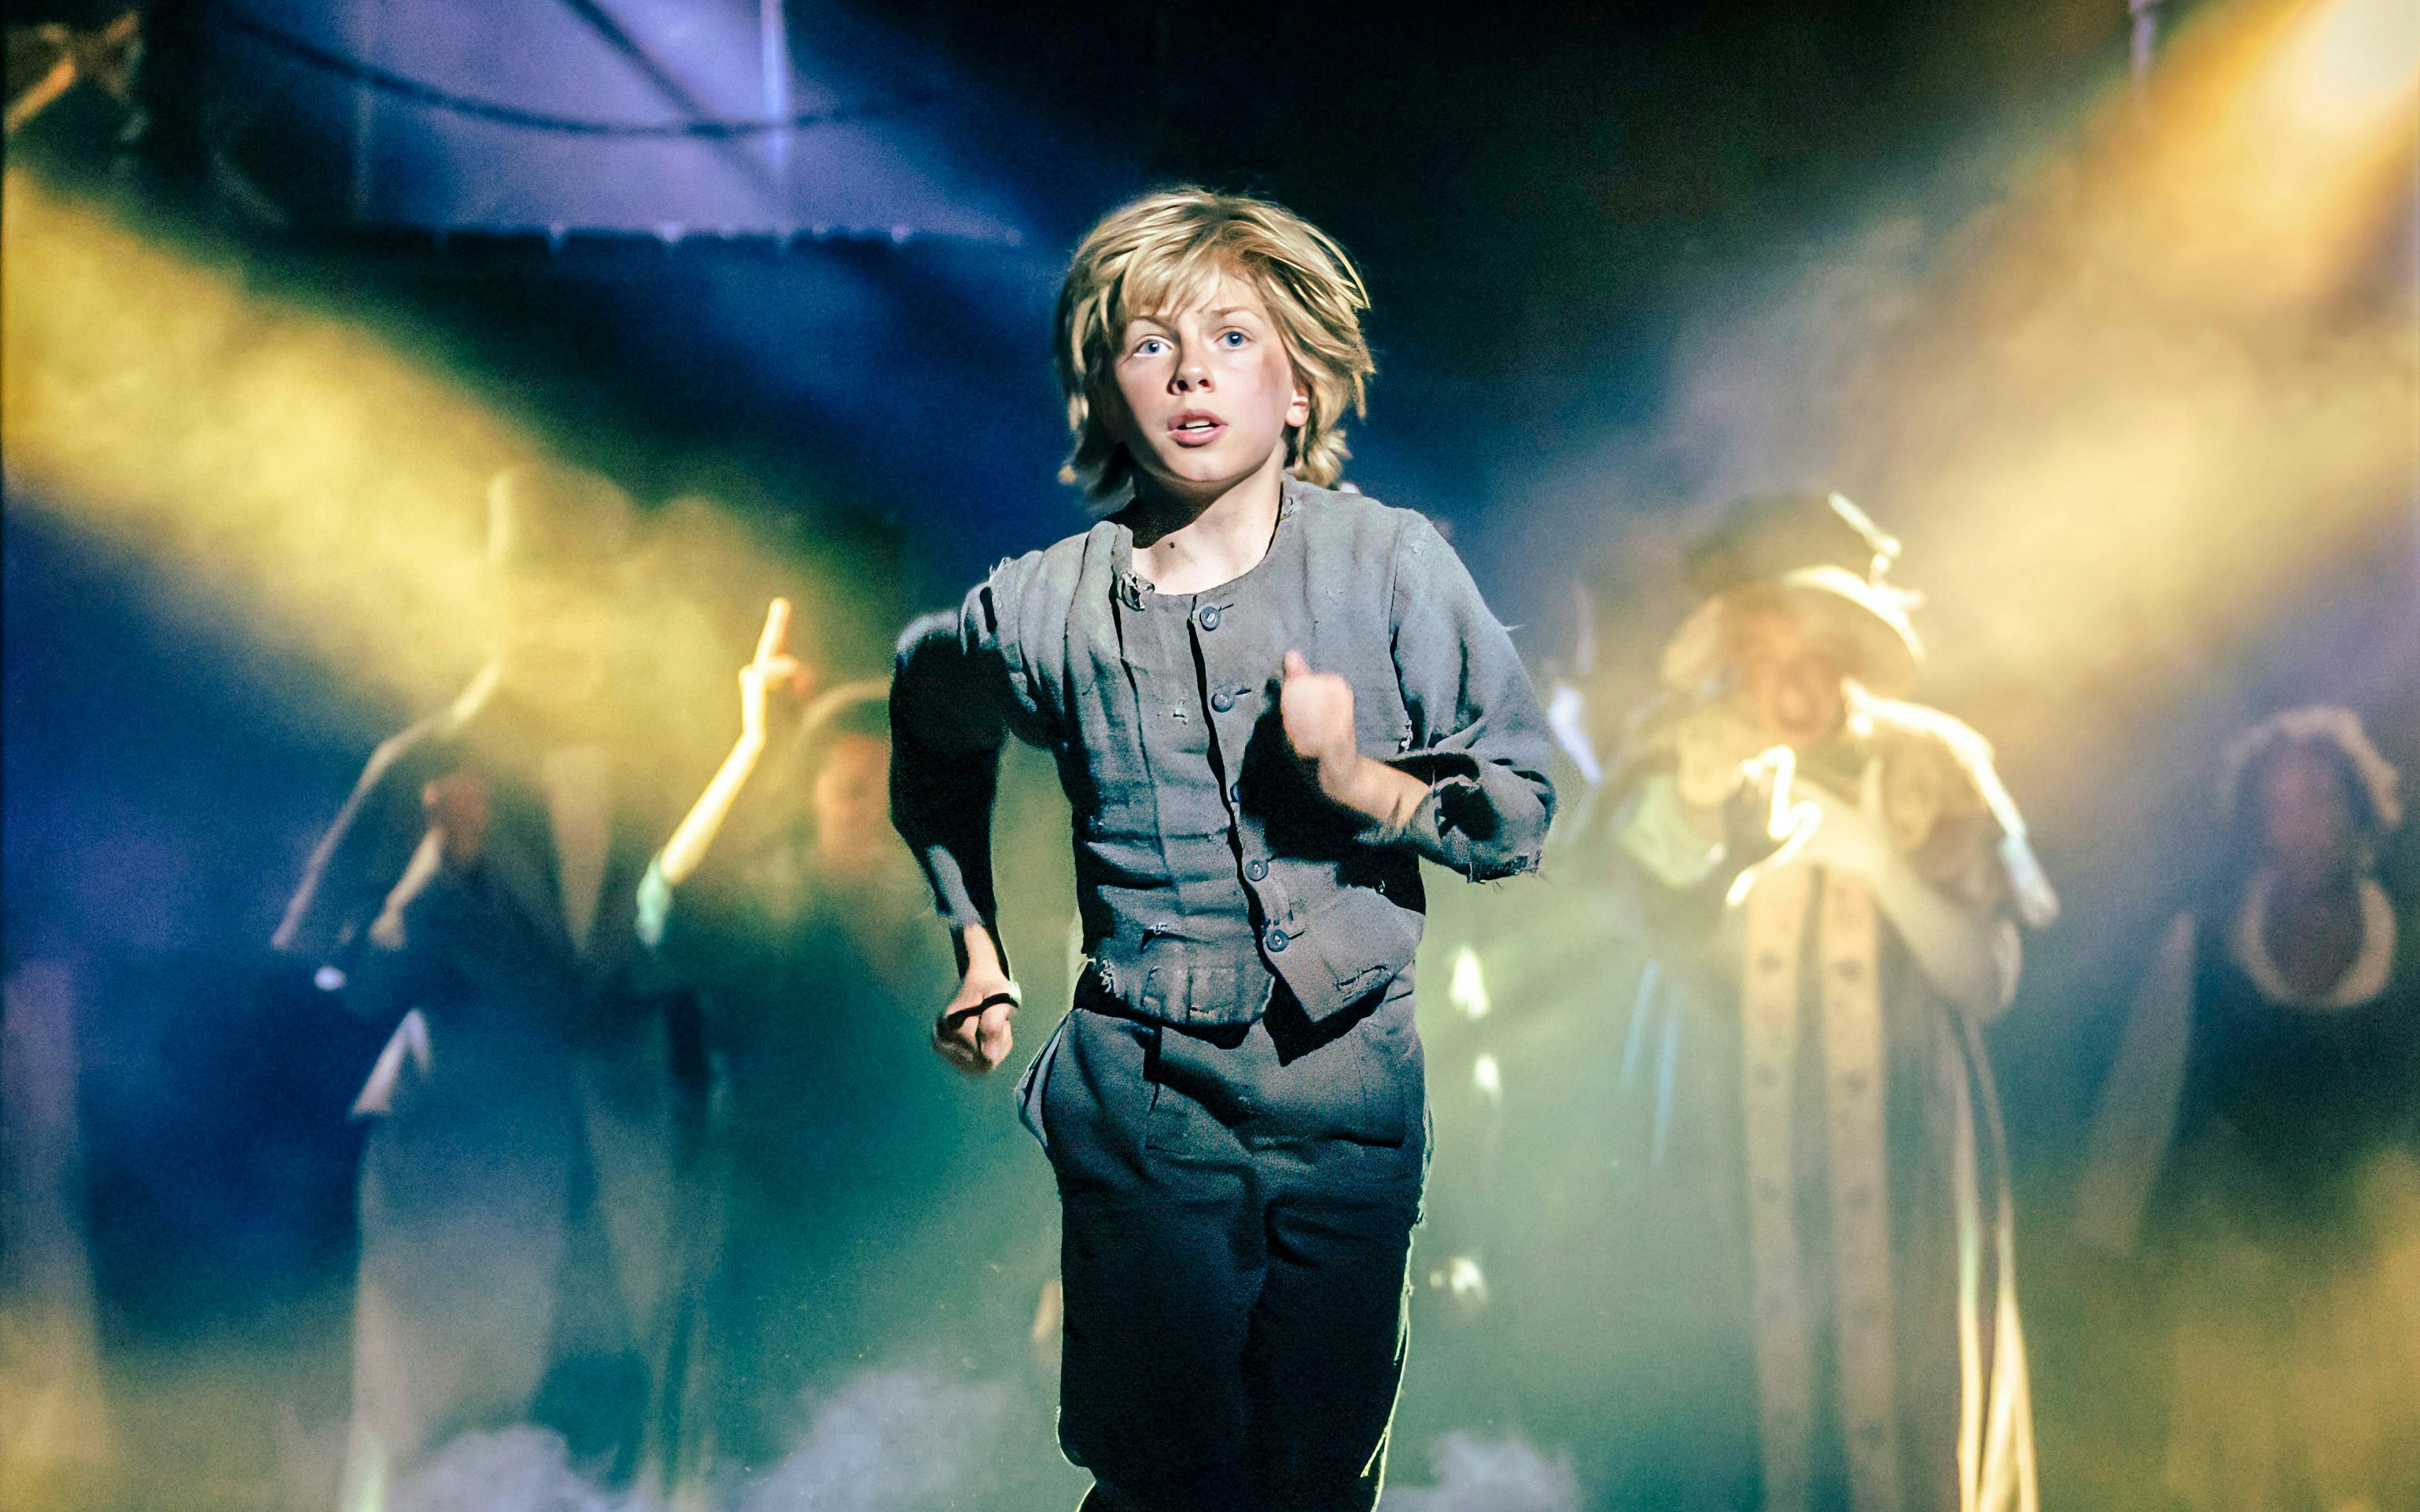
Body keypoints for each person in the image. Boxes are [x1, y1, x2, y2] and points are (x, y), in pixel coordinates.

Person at [887, 188, 1556, 1512]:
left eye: (1234, 337)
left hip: (1348, 1090)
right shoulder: (1040, 606)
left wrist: (1357, 777)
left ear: (1300, 386)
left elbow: (1520, 806)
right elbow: (928, 715)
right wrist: (976, 945)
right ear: (1101, 390)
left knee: (1315, 1470)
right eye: (1150, 344)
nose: (1192, 371)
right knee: (1163, 1471)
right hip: (1144, 1095)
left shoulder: (1392, 569)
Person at [1606, 491, 2057, 1512]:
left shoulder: (1933, 760)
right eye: (1770, 648)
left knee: (1908, 1419)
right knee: (1741, 1424)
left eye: (1820, 649)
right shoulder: (1682, 756)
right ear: (1734, 648)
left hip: (1902, 1162)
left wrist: (1883, 866)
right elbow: (1628, 932)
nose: (1795, 680)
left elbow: (1987, 979)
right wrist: (1714, 840)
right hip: (1724, 1165)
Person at [274, 462, 697, 1510]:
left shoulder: (662, 765)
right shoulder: (421, 762)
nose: (563, 625)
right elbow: (335, 981)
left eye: (585, 600)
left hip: (625, 1180)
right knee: (446, 1456)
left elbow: (690, 962)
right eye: (538, 597)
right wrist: (431, 881)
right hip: (462, 1182)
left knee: (608, 1444)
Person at [2073, 706, 2419, 1512]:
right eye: (2278, 807)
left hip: (2371, 1251)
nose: (2298, 826)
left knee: (2359, 1463)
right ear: (2255, 823)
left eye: (2318, 802)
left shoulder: (2407, 944)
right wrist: (2101, 1242)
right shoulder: (2201, 945)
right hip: (2231, 1250)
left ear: (2357, 811)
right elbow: (2140, 1096)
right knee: (2236, 1465)